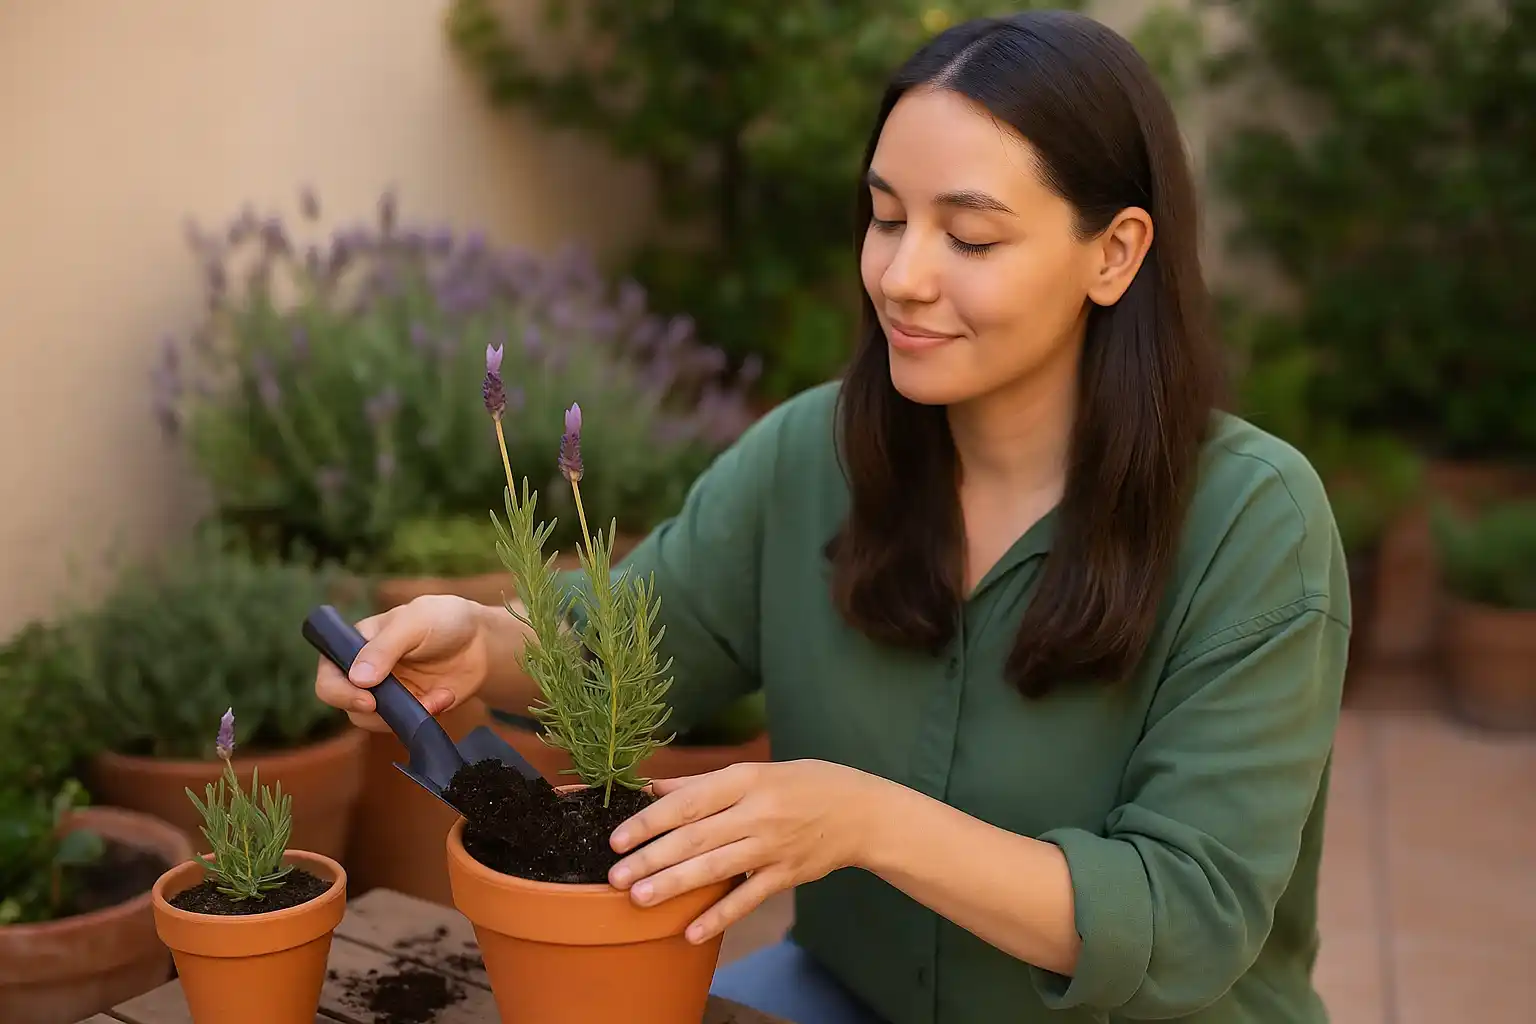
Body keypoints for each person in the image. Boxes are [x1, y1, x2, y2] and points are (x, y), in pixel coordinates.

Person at [316, 10, 1349, 1024]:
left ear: (1115, 254)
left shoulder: (1251, 525)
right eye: (888, 217)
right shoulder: (814, 454)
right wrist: (479, 640)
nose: (901, 276)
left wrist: (864, 820)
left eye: (972, 235)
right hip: (852, 994)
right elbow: (620, 650)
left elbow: (1192, 915)